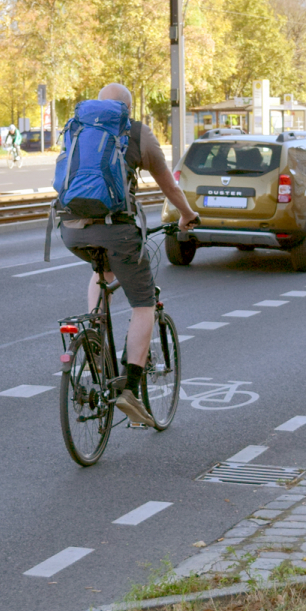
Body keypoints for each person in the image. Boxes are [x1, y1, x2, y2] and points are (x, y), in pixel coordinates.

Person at [60, 83, 199, 427]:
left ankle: (92, 333)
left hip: (70, 229)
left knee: (101, 272)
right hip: (116, 229)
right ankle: (130, 389)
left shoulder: (78, 126)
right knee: (143, 303)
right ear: (128, 108)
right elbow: (168, 184)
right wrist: (186, 215)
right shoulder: (136, 132)